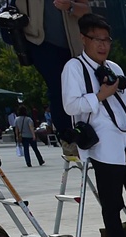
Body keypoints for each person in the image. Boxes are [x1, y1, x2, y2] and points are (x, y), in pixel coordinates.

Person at [62, 13, 126, 237]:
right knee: (111, 203)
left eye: (106, 40)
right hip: (103, 145)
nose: (102, 45)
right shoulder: (74, 68)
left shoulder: (114, 68)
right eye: (96, 39)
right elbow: (70, 105)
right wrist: (100, 95)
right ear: (83, 39)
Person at [18, 0, 92, 157]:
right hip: (40, 42)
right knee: (58, 89)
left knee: (81, 88)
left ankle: (83, 133)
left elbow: (86, 9)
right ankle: (67, 138)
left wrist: (70, 6)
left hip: (73, 44)